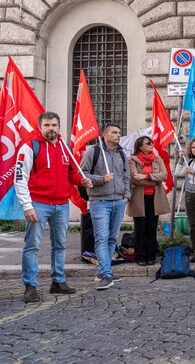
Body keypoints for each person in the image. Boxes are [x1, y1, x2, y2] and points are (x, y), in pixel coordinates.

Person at [15, 112, 93, 303]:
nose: (51, 128)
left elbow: (71, 175)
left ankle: (58, 281)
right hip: (38, 204)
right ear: (40, 126)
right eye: (47, 125)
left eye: (54, 125)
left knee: (59, 245)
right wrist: (27, 205)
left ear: (59, 127)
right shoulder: (29, 147)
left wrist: (81, 180)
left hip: (61, 205)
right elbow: (20, 178)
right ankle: (30, 286)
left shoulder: (65, 148)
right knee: (32, 246)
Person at [81, 122, 131, 290]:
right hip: (99, 201)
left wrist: (126, 196)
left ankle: (105, 271)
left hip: (118, 201)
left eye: (119, 132)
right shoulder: (93, 151)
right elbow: (83, 174)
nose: (118, 135)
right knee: (101, 237)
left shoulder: (122, 154)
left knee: (111, 238)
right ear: (105, 135)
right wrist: (101, 179)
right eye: (114, 133)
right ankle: (106, 273)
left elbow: (126, 176)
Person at [127, 136, 171, 266]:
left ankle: (151, 255)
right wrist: (154, 181)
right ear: (140, 146)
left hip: (155, 198)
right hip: (139, 198)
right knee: (140, 228)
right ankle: (140, 256)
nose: (152, 144)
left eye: (152, 142)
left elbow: (164, 175)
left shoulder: (157, 159)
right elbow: (135, 179)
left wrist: (146, 176)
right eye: (148, 143)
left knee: (152, 227)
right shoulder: (132, 160)